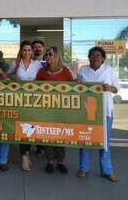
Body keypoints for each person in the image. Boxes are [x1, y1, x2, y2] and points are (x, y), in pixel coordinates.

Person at [76, 46, 119, 182]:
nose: (95, 58)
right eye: (92, 55)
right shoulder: (83, 70)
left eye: (98, 56)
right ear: (89, 58)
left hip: (105, 111)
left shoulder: (109, 70)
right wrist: (77, 84)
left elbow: (116, 88)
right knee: (85, 139)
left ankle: (107, 170)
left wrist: (110, 88)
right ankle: (83, 168)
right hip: (87, 111)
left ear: (103, 58)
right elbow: (78, 88)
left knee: (104, 142)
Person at [36, 46, 73, 174]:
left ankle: (61, 162)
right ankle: (50, 162)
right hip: (46, 111)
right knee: (48, 135)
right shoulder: (41, 72)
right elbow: (35, 89)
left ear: (57, 56)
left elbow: (73, 88)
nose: (48, 57)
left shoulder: (66, 71)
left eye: (51, 54)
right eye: (47, 55)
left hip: (62, 111)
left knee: (60, 136)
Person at [7, 41, 43, 171]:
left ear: (32, 51)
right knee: (22, 128)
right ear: (21, 51)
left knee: (30, 127)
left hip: (33, 102)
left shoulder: (38, 64)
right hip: (18, 101)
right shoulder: (15, 63)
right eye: (24, 50)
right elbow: (8, 77)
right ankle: (24, 156)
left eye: (29, 50)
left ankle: (26, 152)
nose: (27, 52)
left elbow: (43, 80)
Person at [32, 40, 46, 157]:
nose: (38, 49)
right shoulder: (29, 63)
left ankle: (42, 147)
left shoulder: (48, 62)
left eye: (39, 47)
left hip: (44, 99)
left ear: (43, 48)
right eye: (35, 47)